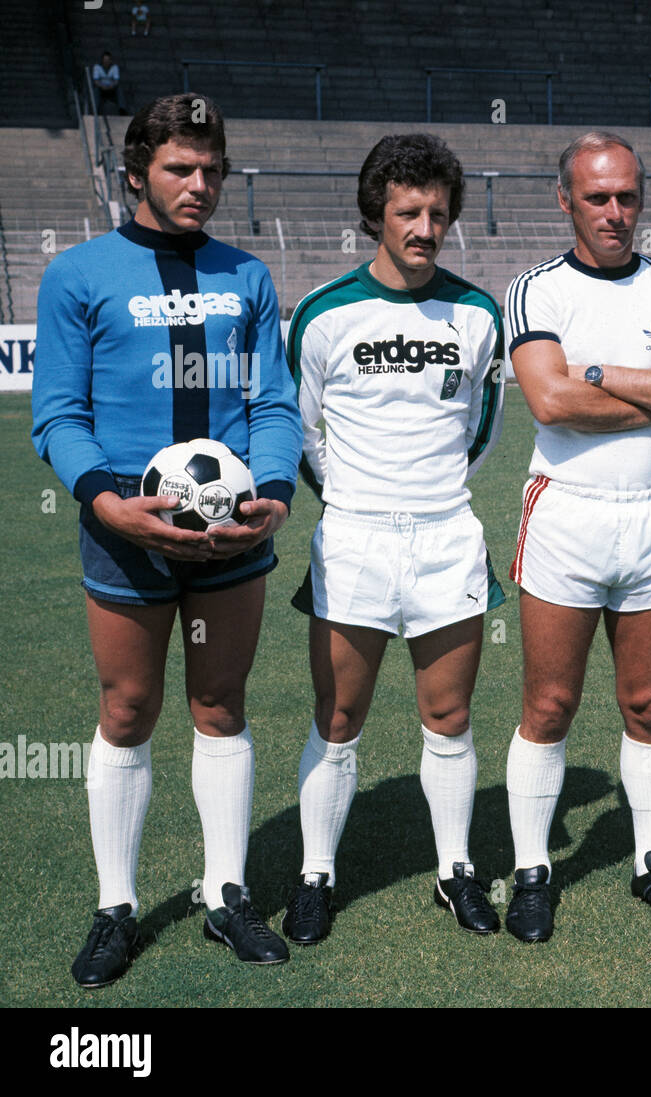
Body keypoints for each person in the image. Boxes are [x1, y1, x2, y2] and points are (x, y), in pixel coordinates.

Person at [32, 93, 303, 988]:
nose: (200, 186)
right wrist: (109, 504)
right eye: (181, 169)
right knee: (126, 712)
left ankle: (227, 893)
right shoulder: (78, 275)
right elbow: (59, 415)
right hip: (125, 534)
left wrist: (269, 493)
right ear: (137, 171)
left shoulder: (247, 276)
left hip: (235, 537)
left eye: (212, 169)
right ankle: (116, 906)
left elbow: (272, 404)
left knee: (221, 704)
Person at [281, 134, 506, 944]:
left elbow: (483, 430)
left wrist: (433, 495)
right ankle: (315, 874)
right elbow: (300, 430)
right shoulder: (322, 313)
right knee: (338, 714)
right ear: (375, 213)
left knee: (449, 714)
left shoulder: (478, 315)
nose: (425, 227)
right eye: (409, 211)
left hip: (447, 534)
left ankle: (455, 871)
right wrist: (352, 498)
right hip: (355, 539)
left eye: (439, 213)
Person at [503, 131, 651, 942]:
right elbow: (550, 404)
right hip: (567, 512)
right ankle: (532, 870)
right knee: (550, 704)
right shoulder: (538, 289)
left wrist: (604, 374)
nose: (615, 212)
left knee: (650, 703)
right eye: (597, 197)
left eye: (627, 196)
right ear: (566, 201)